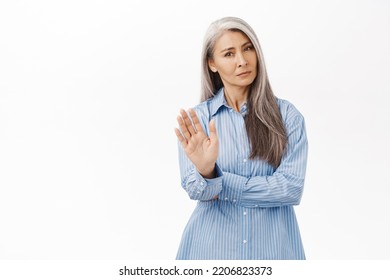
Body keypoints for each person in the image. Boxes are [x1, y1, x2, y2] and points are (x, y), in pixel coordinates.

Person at [174, 17, 308, 260]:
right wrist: (205, 172)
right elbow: (195, 189)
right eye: (229, 54)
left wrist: (219, 181)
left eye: (248, 48)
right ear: (212, 63)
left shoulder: (288, 117)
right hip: (210, 252)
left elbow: (290, 189)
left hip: (273, 254)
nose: (242, 61)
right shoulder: (199, 120)